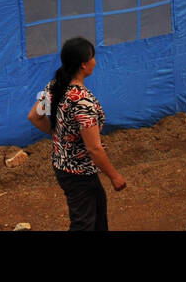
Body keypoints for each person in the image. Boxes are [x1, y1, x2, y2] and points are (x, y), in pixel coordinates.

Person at [27, 37, 125, 231]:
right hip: (78, 172)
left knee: (97, 209)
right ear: (83, 65)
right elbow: (94, 148)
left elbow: (34, 116)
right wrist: (115, 176)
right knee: (83, 224)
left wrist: (60, 137)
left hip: (63, 165)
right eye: (93, 57)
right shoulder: (83, 103)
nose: (95, 61)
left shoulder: (55, 86)